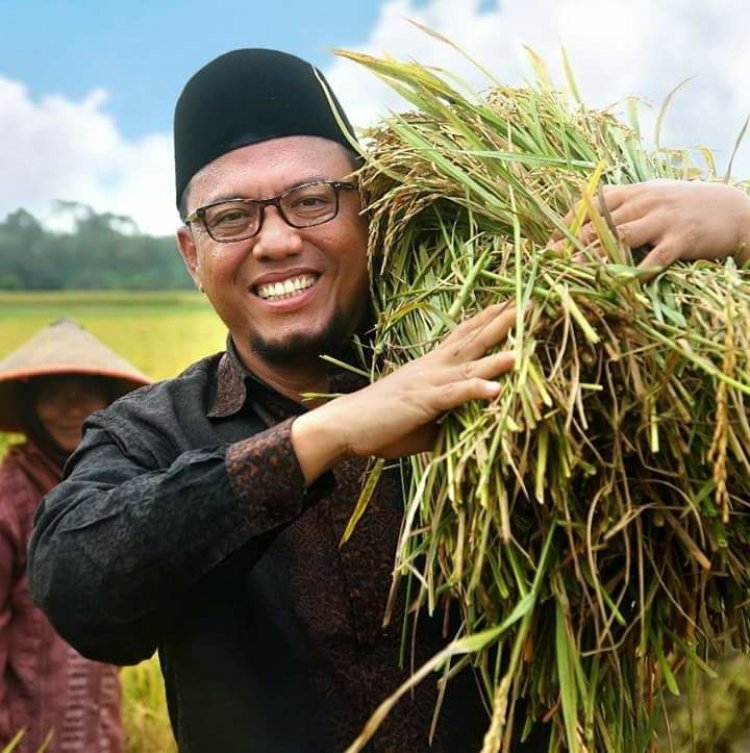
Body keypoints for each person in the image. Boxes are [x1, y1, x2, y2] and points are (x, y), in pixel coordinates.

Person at [27, 49, 750, 753]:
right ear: (193, 255)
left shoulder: (519, 371)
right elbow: (81, 587)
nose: (276, 241)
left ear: (371, 211)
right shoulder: (150, 431)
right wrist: (326, 434)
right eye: (231, 218)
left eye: (311, 200)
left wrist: (744, 228)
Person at [0, 318, 150, 752]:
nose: (70, 408)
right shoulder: (11, 498)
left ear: (106, 401)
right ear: (29, 405)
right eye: (52, 393)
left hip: (99, 732)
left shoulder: (112, 493)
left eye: (84, 391)